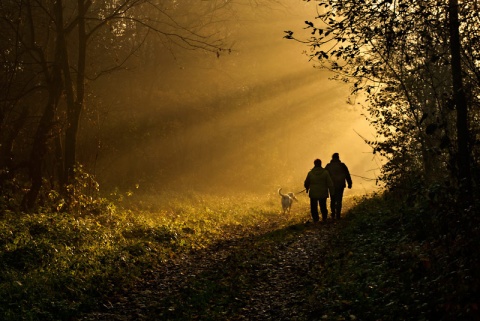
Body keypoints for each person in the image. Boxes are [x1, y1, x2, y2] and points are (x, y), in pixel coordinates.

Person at [304, 158, 334, 223]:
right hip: (323, 192)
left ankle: (315, 219)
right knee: (323, 206)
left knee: (314, 207)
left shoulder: (310, 173)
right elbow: (330, 183)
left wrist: (307, 188)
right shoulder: (325, 172)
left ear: (314, 164)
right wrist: (332, 192)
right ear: (321, 164)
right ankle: (324, 218)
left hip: (313, 193)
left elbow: (306, 183)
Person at [325, 153, 352, 219]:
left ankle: (333, 213)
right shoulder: (342, 165)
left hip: (332, 185)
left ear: (332, 158)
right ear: (338, 158)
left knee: (333, 199)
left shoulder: (328, 166)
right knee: (339, 199)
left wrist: (324, 184)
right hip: (340, 185)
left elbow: (325, 175)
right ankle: (338, 214)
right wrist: (349, 183)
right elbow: (347, 174)